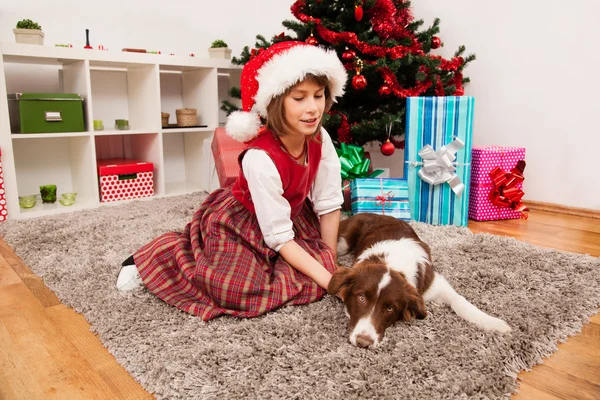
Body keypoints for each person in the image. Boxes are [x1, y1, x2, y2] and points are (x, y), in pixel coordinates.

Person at [116, 41, 348, 321]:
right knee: (236, 291)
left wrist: (330, 262)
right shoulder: (260, 158)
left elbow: (328, 202)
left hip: (289, 214)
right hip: (242, 221)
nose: (313, 108)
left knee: (321, 262)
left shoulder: (321, 139)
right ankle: (159, 255)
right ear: (275, 102)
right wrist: (331, 282)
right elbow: (280, 238)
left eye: (319, 95)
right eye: (299, 98)